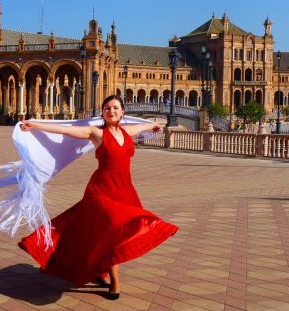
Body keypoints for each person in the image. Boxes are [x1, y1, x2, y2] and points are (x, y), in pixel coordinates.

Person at [16, 95, 178, 300]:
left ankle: (100, 270)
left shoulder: (127, 132)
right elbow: (66, 130)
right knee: (111, 228)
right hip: (101, 190)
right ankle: (115, 283)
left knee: (116, 232)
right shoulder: (96, 133)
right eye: (107, 108)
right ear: (102, 112)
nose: (111, 111)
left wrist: (153, 126)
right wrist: (36, 125)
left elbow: (142, 128)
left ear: (122, 112)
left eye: (115, 108)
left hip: (124, 189)